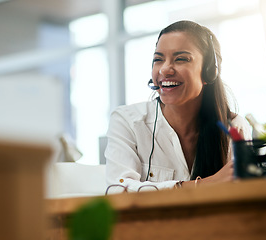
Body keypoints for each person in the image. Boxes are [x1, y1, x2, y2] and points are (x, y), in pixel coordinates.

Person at [104, 20, 252, 192]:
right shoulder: (128, 121)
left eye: (181, 59)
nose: (165, 69)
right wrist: (202, 185)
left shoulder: (233, 127)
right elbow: (117, 191)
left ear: (209, 71)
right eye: (158, 59)